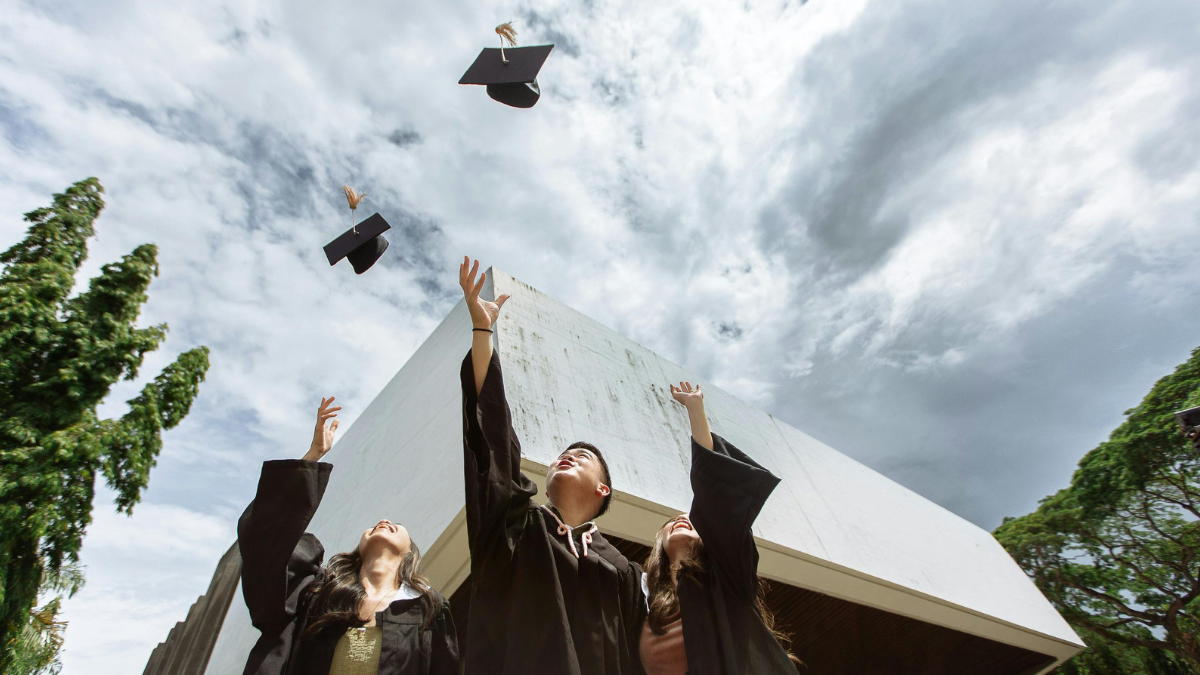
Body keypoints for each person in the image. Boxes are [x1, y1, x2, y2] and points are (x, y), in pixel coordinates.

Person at [457, 257, 646, 675]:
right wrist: (483, 332)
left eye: (584, 458)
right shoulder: (515, 528)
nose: (567, 455)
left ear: (603, 490)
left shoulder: (624, 573)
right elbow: (493, 446)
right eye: (562, 455)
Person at [239, 396, 459, 675]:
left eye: (396, 524)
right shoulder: (317, 592)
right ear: (358, 549)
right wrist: (312, 456)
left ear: (409, 553)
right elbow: (265, 542)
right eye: (375, 524)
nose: (384, 521)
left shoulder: (428, 609)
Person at [639, 382, 801, 675]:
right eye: (670, 522)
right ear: (659, 543)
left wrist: (695, 410)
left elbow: (716, 495)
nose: (680, 520)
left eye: (689, 519)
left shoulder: (727, 576)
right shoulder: (644, 601)